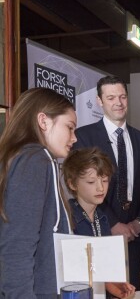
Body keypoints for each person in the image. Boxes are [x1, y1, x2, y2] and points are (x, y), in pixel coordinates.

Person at [73, 75, 140, 290]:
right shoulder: (84, 136)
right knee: (102, 289)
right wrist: (112, 222)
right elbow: (84, 188)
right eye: (111, 98)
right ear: (100, 101)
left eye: (122, 96)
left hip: (136, 233)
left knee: (132, 287)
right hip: (101, 229)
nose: (118, 103)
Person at [0, 88, 77, 298]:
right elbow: (17, 247)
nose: (74, 137)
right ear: (43, 121)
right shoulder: (35, 160)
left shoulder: (23, 159)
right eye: (69, 128)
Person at [62, 147, 136, 299]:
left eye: (105, 180)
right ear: (72, 184)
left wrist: (112, 284)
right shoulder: (67, 218)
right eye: (91, 182)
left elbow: (102, 266)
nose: (100, 188)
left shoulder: (102, 218)